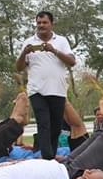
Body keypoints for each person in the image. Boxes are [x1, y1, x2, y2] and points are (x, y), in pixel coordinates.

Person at [15, 11, 76, 160]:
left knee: (56, 126)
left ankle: (51, 156)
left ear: (51, 24)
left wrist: (53, 50)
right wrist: (24, 53)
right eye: (39, 23)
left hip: (57, 90)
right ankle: (47, 158)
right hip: (37, 90)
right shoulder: (29, 41)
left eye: (44, 22)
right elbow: (18, 67)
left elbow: (72, 61)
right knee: (43, 123)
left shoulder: (61, 41)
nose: (41, 26)